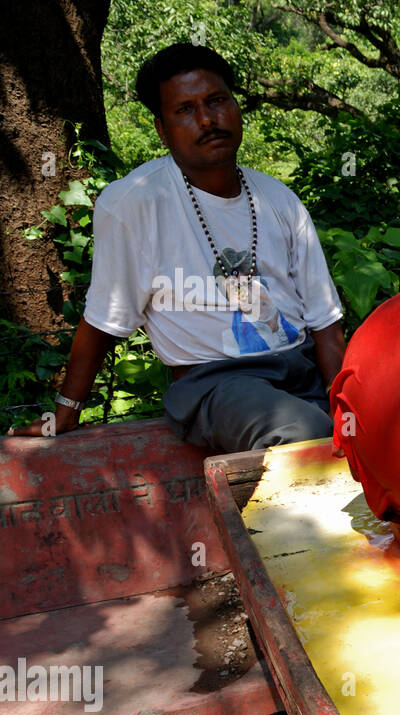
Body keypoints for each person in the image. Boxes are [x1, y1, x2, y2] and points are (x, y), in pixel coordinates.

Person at [6, 43, 346, 453]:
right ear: (162, 130)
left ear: (236, 107)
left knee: (382, 417)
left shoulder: (278, 199)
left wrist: (343, 403)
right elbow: (104, 318)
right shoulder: (133, 202)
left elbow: (324, 320)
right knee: (303, 435)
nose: (207, 119)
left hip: (301, 371)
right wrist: (67, 409)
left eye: (217, 101)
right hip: (216, 385)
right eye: (185, 110)